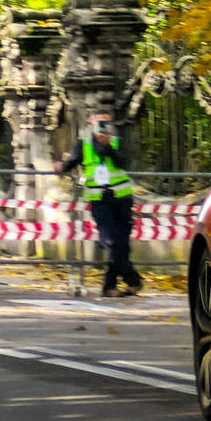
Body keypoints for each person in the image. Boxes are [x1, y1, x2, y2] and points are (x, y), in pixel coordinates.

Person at [58, 111, 142, 297]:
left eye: (106, 121)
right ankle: (133, 279)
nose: (103, 125)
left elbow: (124, 162)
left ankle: (109, 287)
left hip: (122, 199)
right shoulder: (84, 144)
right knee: (110, 242)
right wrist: (61, 166)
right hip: (100, 201)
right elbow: (71, 162)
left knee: (122, 245)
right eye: (99, 121)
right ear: (90, 124)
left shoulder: (117, 140)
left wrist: (109, 147)